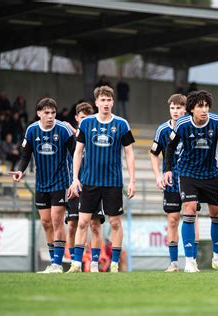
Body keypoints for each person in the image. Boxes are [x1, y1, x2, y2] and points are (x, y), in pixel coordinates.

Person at [67, 86, 136, 273]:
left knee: (115, 223)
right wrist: (75, 178)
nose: (106, 103)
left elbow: (129, 153)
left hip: (113, 182)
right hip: (89, 182)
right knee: (82, 223)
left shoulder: (122, 124)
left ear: (113, 102)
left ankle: (113, 264)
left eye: (109, 100)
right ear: (96, 102)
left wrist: (132, 180)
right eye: (102, 100)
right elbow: (78, 152)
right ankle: (76, 263)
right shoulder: (87, 123)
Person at [163, 90, 218, 273]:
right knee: (189, 209)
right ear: (191, 109)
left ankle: (217, 258)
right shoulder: (182, 125)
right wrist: (168, 169)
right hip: (188, 172)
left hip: (211, 174)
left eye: (206, 106)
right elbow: (170, 147)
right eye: (200, 106)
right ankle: (190, 261)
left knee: (217, 213)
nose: (204, 110)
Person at [10, 97, 75, 273]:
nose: (50, 116)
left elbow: (77, 153)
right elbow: (25, 155)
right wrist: (20, 171)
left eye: (53, 112)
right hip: (42, 183)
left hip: (61, 182)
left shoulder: (63, 130)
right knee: (46, 223)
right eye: (46, 112)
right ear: (39, 113)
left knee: (56, 220)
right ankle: (54, 262)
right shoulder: (31, 130)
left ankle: (57, 263)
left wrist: (76, 180)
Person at [150, 94, 201, 272]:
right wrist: (158, 176)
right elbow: (153, 153)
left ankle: (192, 261)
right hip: (171, 182)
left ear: (185, 109)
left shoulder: (191, 126)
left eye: (179, 108)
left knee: (192, 218)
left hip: (191, 179)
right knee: (172, 220)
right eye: (172, 108)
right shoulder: (163, 130)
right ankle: (173, 263)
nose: (175, 111)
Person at [64, 102, 106, 273]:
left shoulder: (95, 135)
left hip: (94, 186)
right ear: (76, 118)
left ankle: (94, 264)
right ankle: (75, 263)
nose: (85, 121)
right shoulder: (70, 137)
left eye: (88, 118)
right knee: (73, 225)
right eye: (82, 118)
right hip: (75, 186)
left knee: (95, 225)